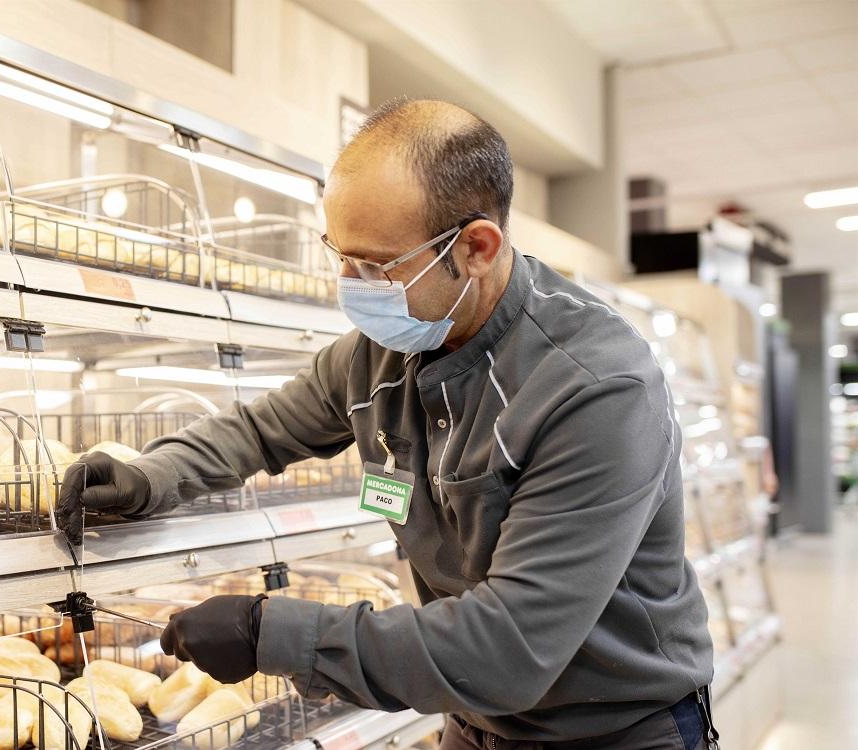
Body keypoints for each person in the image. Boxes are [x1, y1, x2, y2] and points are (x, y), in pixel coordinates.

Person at [57, 99, 717, 749]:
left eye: (375, 264)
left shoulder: (595, 389)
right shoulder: (382, 356)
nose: (351, 284)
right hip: (472, 718)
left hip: (613, 730)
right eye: (340, 255)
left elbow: (507, 651)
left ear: (477, 248)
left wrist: (271, 632)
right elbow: (262, 429)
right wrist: (151, 474)